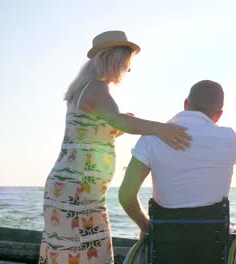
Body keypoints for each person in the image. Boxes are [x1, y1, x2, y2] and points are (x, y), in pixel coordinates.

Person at [39, 30, 191, 264]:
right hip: (78, 192)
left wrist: (115, 129)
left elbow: (86, 135)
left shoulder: (82, 90)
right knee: (91, 255)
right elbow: (119, 120)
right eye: (125, 64)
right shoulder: (97, 88)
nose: (127, 70)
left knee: (67, 254)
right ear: (112, 59)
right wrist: (162, 128)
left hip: (70, 187)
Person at [118, 80, 236, 239]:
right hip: (212, 242)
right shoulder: (230, 138)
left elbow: (126, 195)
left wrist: (146, 226)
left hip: (164, 240)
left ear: (186, 104)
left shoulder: (151, 139)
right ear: (219, 114)